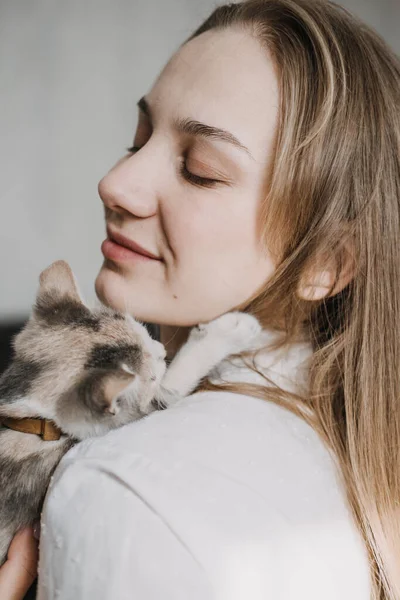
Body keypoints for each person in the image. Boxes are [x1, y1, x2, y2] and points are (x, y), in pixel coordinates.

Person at [2, 0, 400, 597]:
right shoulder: (349, 453)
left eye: (200, 170)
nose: (116, 183)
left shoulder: (124, 492)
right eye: (138, 140)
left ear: (327, 264)